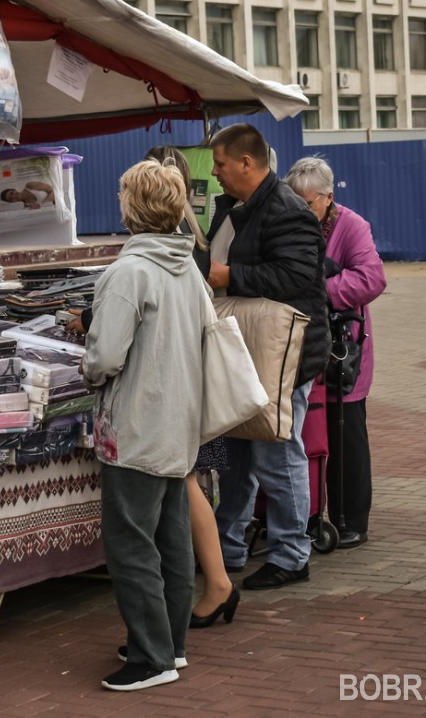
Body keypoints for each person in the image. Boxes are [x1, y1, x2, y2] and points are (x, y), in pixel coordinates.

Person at [82, 160, 211, 692]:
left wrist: (88, 364)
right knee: (171, 539)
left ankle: (151, 656)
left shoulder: (129, 271)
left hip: (136, 425)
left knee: (132, 543)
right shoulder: (188, 269)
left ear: (131, 206)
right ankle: (170, 644)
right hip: (180, 421)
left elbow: (105, 356)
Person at [204, 124, 329, 591]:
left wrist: (227, 276)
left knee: (277, 453)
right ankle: (227, 547)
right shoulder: (235, 206)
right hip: (244, 352)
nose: (214, 172)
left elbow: (294, 277)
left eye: (219, 164)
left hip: (281, 357)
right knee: (234, 452)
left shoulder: (287, 211)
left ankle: (292, 555)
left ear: (246, 163)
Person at [143, 146, 239, 628]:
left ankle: (218, 582)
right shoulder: (193, 239)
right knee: (189, 484)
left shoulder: (168, 242)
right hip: (195, 379)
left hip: (179, 385)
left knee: (186, 485)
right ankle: (213, 580)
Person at [284, 157, 386, 549]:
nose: (300, 209)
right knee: (309, 435)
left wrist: (318, 289)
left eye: (307, 203)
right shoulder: (291, 223)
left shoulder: (352, 225)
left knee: (347, 434)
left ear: (327, 198)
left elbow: (372, 277)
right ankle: (307, 517)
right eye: (294, 201)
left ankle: (351, 520)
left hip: (343, 349)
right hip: (303, 346)